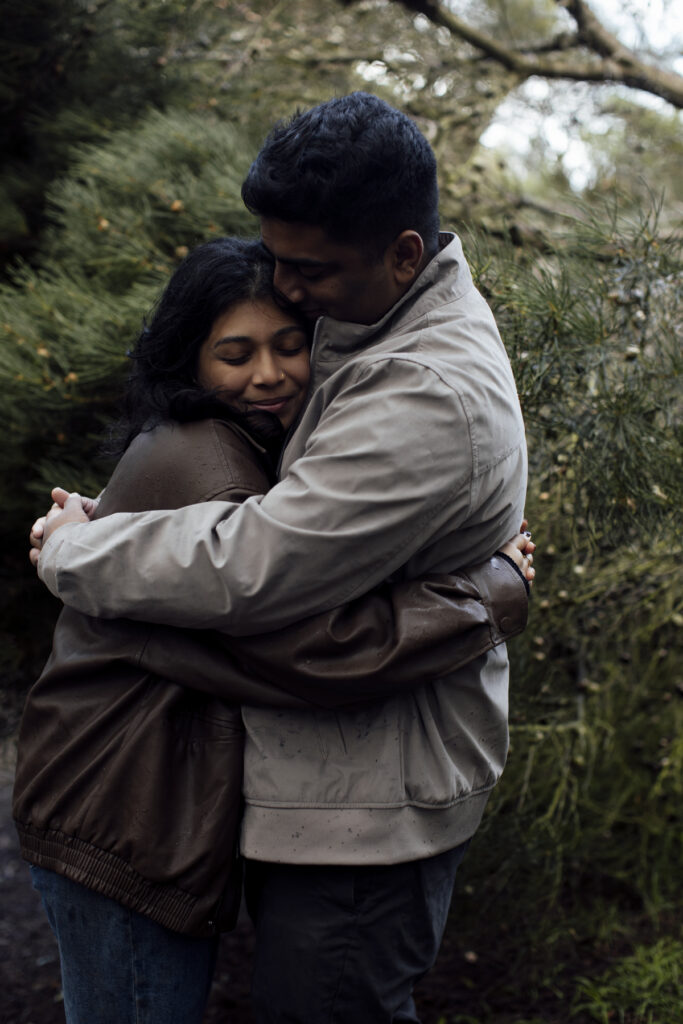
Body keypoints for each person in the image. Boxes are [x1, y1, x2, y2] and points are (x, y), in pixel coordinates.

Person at [30, 93, 530, 1022]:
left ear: (403, 254)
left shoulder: (418, 392)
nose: (287, 290)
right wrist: (484, 591)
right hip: (296, 800)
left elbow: (253, 564)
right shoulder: (375, 323)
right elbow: (262, 527)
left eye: (308, 273)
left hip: (368, 822)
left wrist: (78, 549)